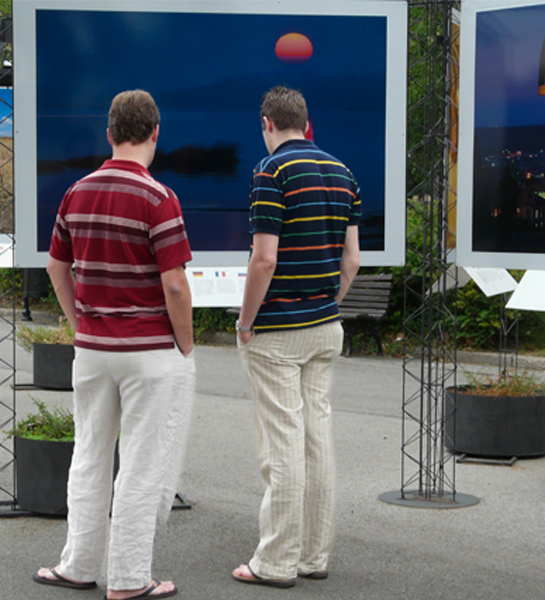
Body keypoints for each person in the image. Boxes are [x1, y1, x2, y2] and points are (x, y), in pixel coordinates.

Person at [35, 89, 195, 600]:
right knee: (142, 466)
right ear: (155, 133)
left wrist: (78, 318)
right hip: (148, 353)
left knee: (90, 455)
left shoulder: (75, 192)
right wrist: (185, 344)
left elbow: (57, 267)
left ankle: (78, 565)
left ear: (109, 134)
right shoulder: (159, 198)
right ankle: (128, 579)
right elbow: (174, 284)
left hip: (94, 349)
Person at [232, 86, 361, 588]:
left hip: (278, 333)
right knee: (317, 442)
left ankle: (276, 563)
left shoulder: (271, 172)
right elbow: (351, 260)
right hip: (325, 328)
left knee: (281, 448)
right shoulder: (343, 172)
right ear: (306, 124)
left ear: (267, 122)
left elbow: (263, 259)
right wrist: (330, 300)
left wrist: (246, 321)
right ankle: (313, 555)